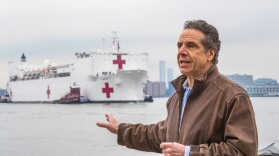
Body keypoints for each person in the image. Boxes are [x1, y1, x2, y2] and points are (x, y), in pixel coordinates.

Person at [96, 19, 258, 156]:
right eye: (179, 45)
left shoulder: (232, 96)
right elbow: (160, 135)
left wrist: (189, 152)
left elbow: (242, 151)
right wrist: (121, 130)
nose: (181, 51)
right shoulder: (177, 97)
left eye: (191, 46)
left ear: (210, 54)